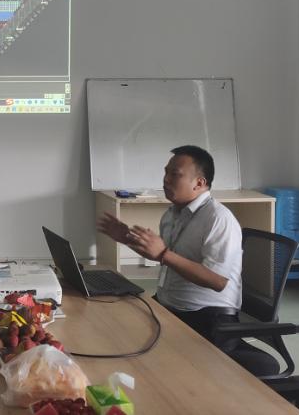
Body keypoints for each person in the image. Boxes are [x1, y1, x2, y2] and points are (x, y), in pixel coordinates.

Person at [97, 145, 263, 368]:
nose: (165, 180)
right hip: (170, 306)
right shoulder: (172, 214)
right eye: (166, 172)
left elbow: (217, 281)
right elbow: (166, 257)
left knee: (145, 359)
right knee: (113, 329)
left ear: (199, 183)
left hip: (208, 317)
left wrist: (164, 254)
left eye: (175, 174)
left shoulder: (218, 219)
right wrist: (126, 238)